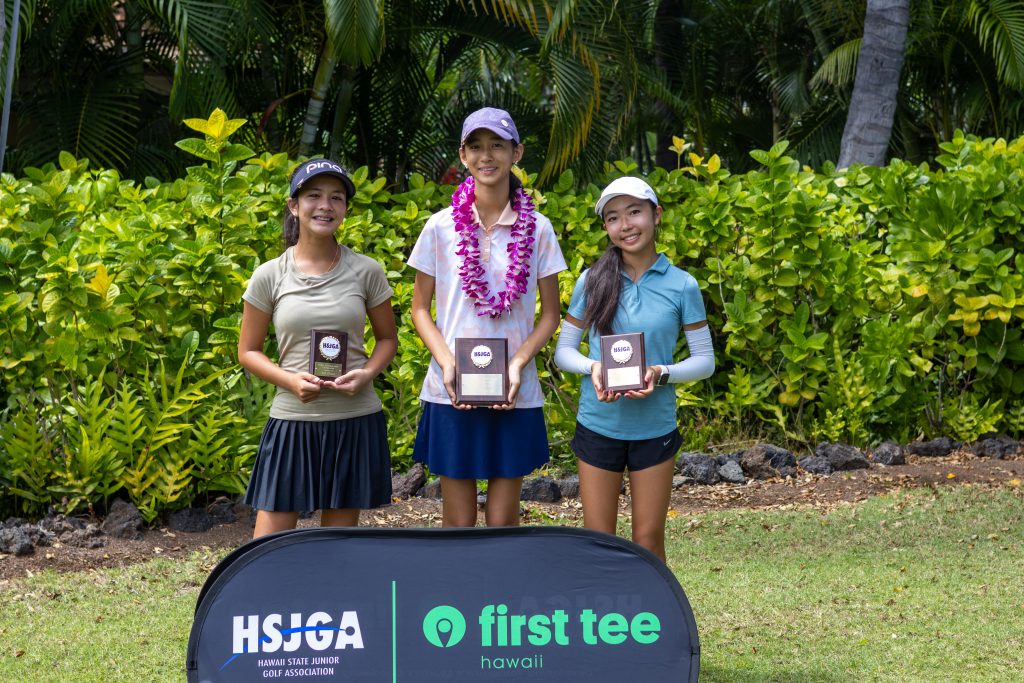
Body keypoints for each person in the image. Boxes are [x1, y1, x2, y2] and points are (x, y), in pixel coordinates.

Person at [408, 107, 567, 527]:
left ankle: (502, 578)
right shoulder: (440, 226)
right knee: (458, 521)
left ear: (517, 153)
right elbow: (419, 308)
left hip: (514, 388)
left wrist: (518, 363)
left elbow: (550, 314)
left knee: (503, 521)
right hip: (451, 387)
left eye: (497, 145)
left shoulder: (539, 229)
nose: (487, 155)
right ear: (463, 155)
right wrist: (447, 362)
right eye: (476, 146)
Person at [554, 176, 715, 561]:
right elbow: (564, 352)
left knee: (648, 540)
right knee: (598, 541)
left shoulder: (683, 285)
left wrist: (660, 373)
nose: (625, 225)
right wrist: (594, 367)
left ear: (656, 215)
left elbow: (705, 362)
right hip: (598, 425)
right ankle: (602, 604)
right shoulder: (591, 281)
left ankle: (651, 606)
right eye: (613, 218)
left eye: (634, 212)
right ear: (606, 227)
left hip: (654, 428)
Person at [238, 159, 398, 539]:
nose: (325, 206)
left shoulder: (367, 271)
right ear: (294, 205)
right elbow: (248, 351)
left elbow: (387, 340)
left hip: (354, 419)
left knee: (335, 550)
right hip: (293, 419)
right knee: (268, 548)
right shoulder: (269, 275)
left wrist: (367, 374)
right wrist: (290, 381)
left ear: (345, 209)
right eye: (314, 196)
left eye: (336, 197)